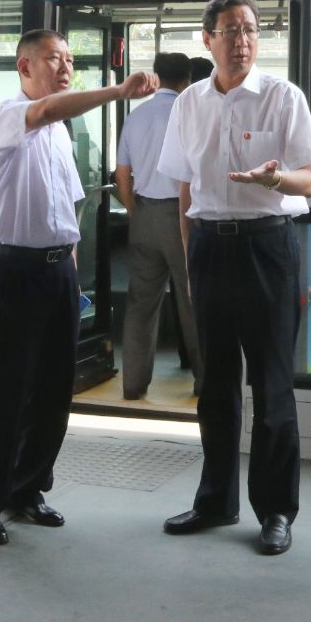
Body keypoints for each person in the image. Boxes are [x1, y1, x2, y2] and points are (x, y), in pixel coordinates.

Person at [0, 30, 156, 544]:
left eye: (70, 59)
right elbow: (46, 110)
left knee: (53, 389)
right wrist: (119, 92)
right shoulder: (7, 115)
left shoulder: (60, 134)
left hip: (56, 271)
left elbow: (69, 202)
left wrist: (69, 258)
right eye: (54, 58)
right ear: (25, 67)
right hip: (12, 270)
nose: (66, 67)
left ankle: (26, 490)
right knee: (9, 390)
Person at [158, 0, 311, 555]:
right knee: (214, 385)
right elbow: (184, 190)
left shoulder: (282, 97)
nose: (242, 40)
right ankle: (215, 500)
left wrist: (275, 179)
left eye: (250, 30)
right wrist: (190, 262)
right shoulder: (189, 103)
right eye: (230, 31)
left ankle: (276, 510)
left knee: (272, 384)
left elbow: (309, 180)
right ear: (208, 40)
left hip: (267, 248)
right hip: (209, 248)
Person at [116, 51, 202, 401]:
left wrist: (135, 211)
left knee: (141, 304)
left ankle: (133, 385)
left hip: (144, 214)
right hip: (182, 216)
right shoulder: (190, 113)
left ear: (158, 76)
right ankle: (205, 381)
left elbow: (122, 173)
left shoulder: (135, 116)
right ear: (187, 80)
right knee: (192, 300)